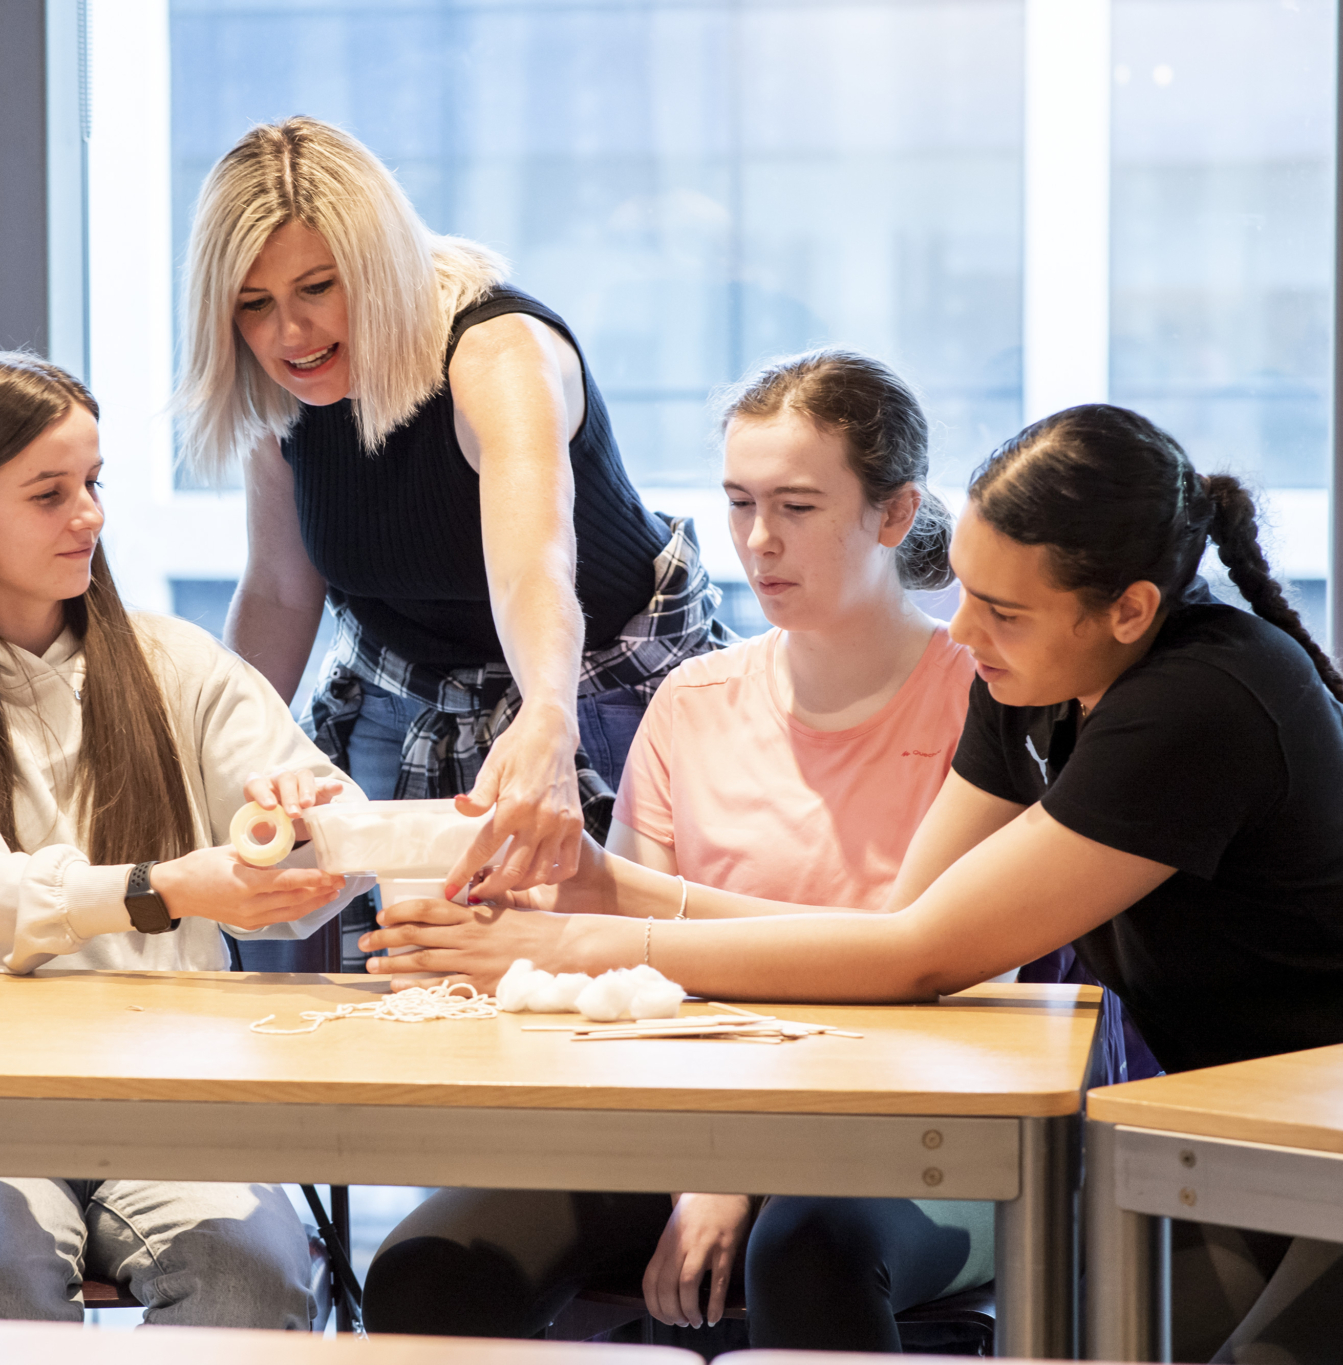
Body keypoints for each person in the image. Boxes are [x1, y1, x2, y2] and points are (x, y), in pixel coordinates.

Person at [364, 403, 1343, 1361]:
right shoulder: (1024, 680)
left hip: (1304, 1126)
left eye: (1000, 610)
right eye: (960, 590)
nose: (962, 630)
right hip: (1245, 1122)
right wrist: (605, 889)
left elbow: (916, 959)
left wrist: (574, 942)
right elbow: (897, 931)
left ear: (1127, 610)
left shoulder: (1198, 703)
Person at [365, 350, 990, 1348]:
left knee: (809, 1257)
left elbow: (917, 972)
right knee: (426, 1272)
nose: (756, 541)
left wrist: (734, 1163)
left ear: (891, 514)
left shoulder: (982, 706)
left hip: (913, 1132)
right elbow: (617, 966)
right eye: (738, 503)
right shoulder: (692, 703)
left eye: (794, 507)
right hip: (678, 1116)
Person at [0, 351, 364, 1330]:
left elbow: (330, 850)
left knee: (251, 1283)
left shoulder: (175, 660)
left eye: (93, 482)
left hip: (174, 1093)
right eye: (48, 493)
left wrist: (299, 828)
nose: (91, 516)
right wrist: (169, 889)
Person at [176, 116, 729, 964]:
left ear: (381, 266)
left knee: (591, 974)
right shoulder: (280, 394)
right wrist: (208, 765)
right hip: (403, 693)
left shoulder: (495, 349)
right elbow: (283, 590)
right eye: (254, 305)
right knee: (336, 955)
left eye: (318, 288)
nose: (290, 335)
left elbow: (533, 567)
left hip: (591, 683)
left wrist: (546, 719)